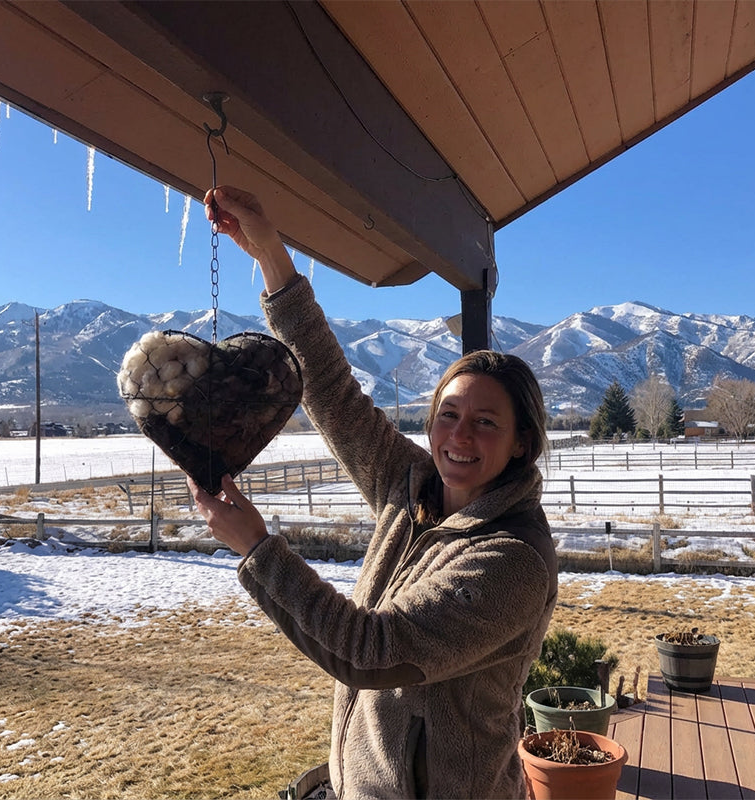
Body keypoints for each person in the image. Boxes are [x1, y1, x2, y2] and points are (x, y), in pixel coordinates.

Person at [189, 186, 558, 799]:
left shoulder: (513, 560)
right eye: (448, 414)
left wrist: (257, 549)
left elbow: (373, 650)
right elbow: (333, 393)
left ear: (522, 442)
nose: (459, 435)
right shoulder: (410, 485)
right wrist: (272, 257)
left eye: (486, 421)